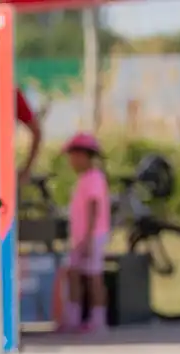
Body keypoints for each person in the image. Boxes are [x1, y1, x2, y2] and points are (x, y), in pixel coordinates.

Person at [61, 132, 110, 333]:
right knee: (74, 273)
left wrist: (89, 238)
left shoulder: (94, 178)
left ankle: (98, 320)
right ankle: (73, 317)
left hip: (92, 236)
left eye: (74, 156)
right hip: (82, 237)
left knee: (93, 276)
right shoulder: (85, 179)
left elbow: (93, 207)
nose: (72, 162)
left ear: (84, 156)